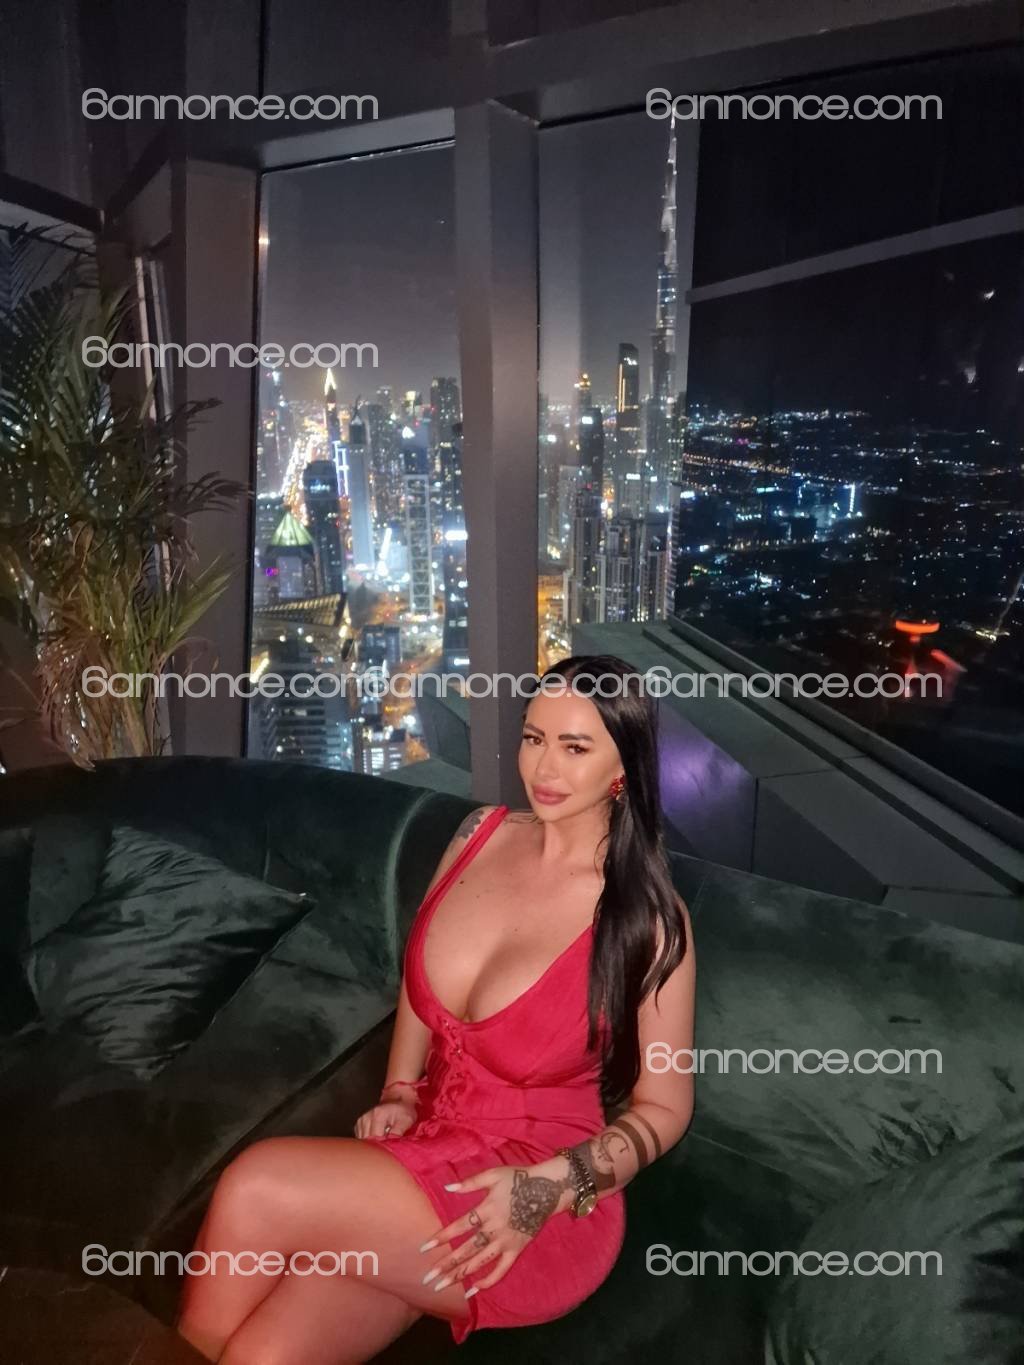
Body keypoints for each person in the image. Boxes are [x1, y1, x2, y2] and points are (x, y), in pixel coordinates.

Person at [176, 654, 695, 1364]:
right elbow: (420, 988)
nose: (543, 767)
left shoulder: (648, 918)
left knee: (256, 1187)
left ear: (623, 769)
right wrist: (400, 1088)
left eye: (575, 747)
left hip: (533, 1190)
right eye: (533, 737)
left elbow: (665, 1109)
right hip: (428, 1147)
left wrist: (552, 1185)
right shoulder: (478, 835)